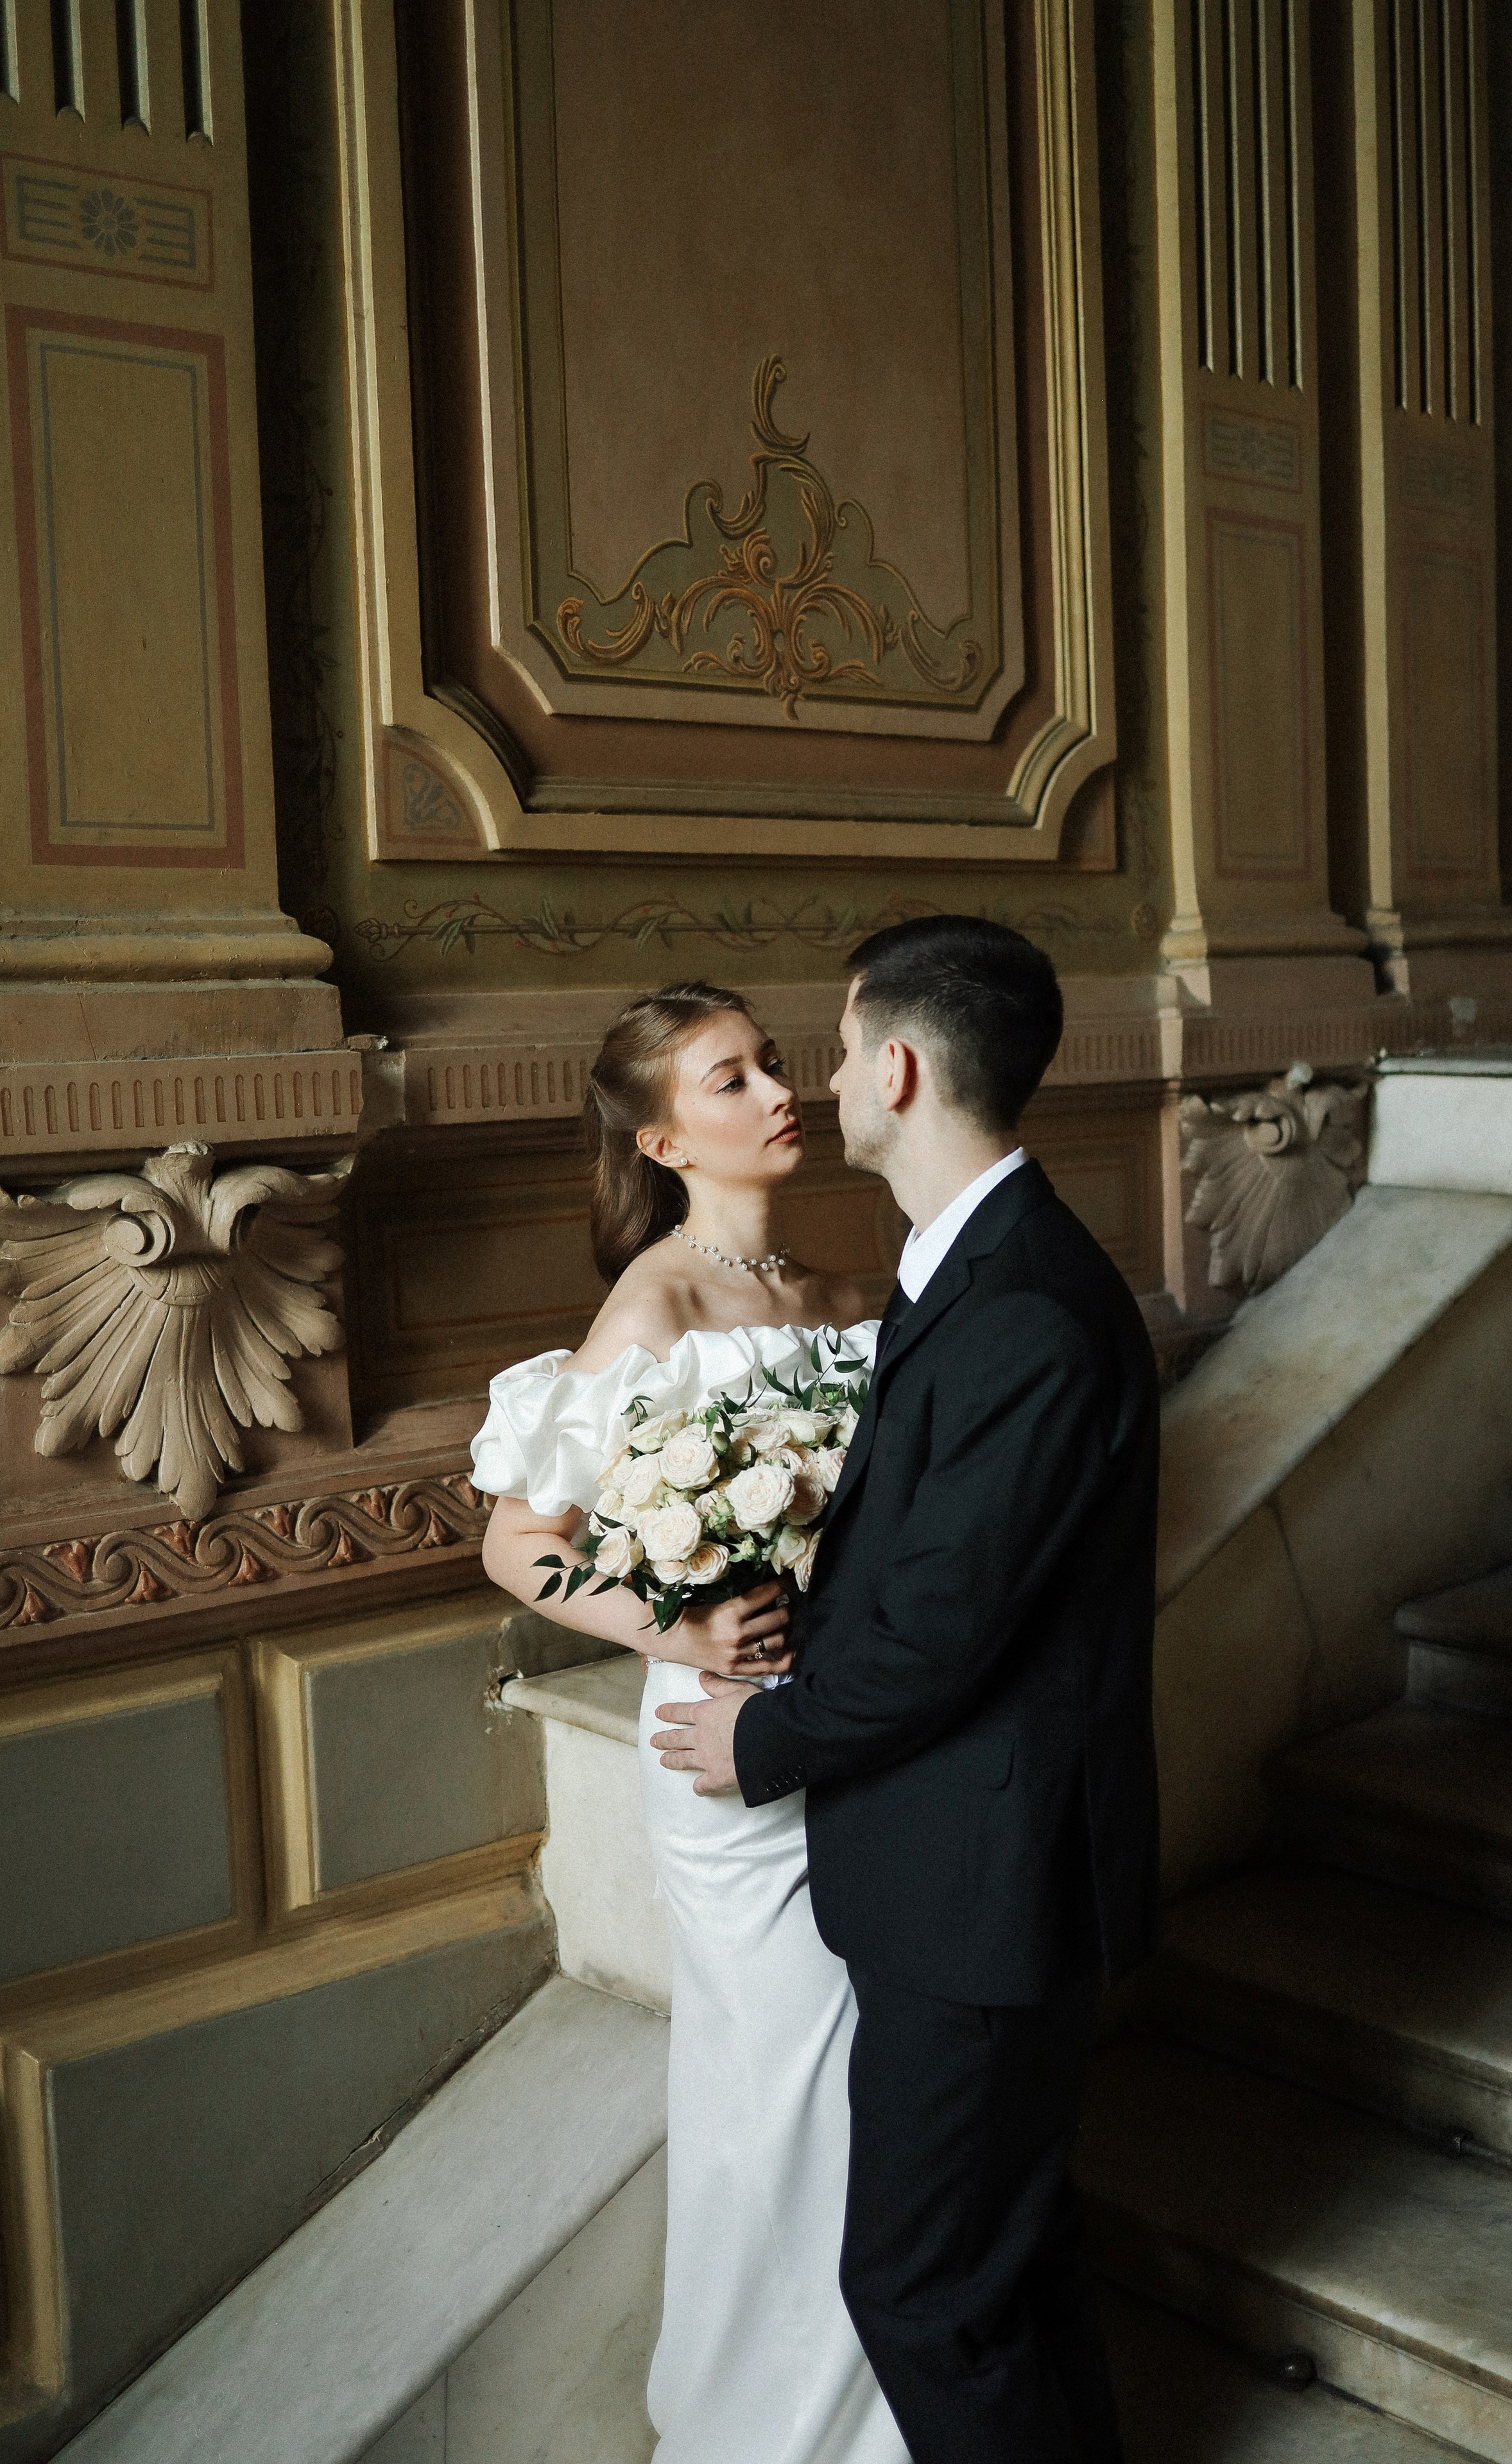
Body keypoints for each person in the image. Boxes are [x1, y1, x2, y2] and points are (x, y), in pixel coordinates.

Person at [654, 916, 1160, 2464]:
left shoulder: (1022, 1307)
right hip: (957, 1870)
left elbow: (941, 1633)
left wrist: (762, 1735)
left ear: (896, 1069)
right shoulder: (971, 1274)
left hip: (985, 1890)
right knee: (1006, 2265)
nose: (818, 1084)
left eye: (832, 1051)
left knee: (920, 2287)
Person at [474, 980, 911, 2464]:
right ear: (662, 1140)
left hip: (864, 1720)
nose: (781, 1092)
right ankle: (767, 2432)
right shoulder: (652, 1309)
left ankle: (892, 2404)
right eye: (733, 1080)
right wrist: (686, 1629)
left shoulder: (845, 1291)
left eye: (776, 1064)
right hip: (725, 1739)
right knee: (781, 2083)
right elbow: (519, 1542)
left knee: (880, 2073)